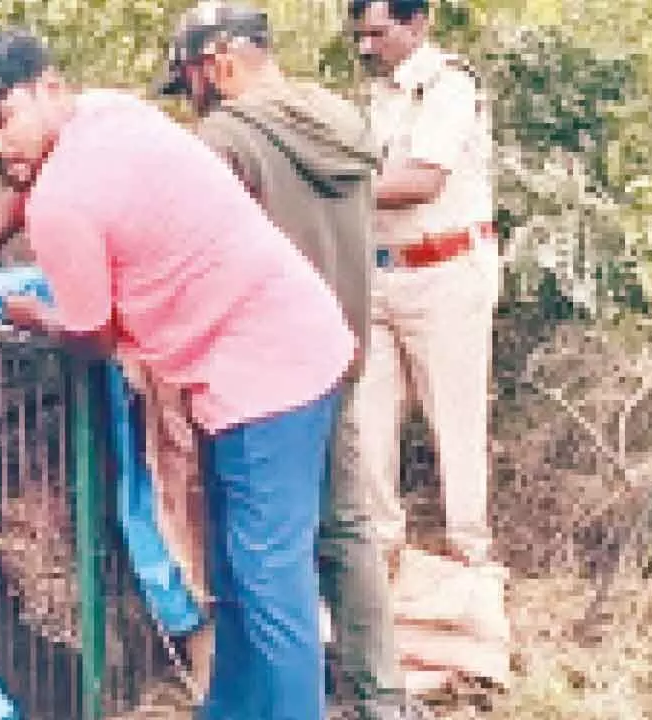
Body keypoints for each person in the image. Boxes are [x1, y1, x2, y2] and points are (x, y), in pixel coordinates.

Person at [0, 26, 355, 720]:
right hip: (265, 348)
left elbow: (93, 337)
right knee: (237, 571)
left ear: (49, 89)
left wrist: (37, 320)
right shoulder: (106, 112)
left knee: (270, 582)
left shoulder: (64, 203)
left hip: (268, 373)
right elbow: (27, 183)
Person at [152, 3, 407, 718]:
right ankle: (379, 695)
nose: (193, 93)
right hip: (343, 351)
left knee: (267, 560)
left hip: (268, 377)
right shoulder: (343, 119)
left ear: (220, 62)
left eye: (193, 77)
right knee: (347, 529)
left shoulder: (226, 143)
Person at [348, 0, 499, 571]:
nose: (367, 47)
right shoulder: (378, 97)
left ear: (418, 23)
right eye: (360, 35)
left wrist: (334, 190)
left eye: (379, 33)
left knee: (456, 424)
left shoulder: (449, 85)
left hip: (445, 274)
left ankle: (471, 558)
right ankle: (380, 558)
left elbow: (421, 181)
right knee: (367, 424)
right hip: (381, 273)